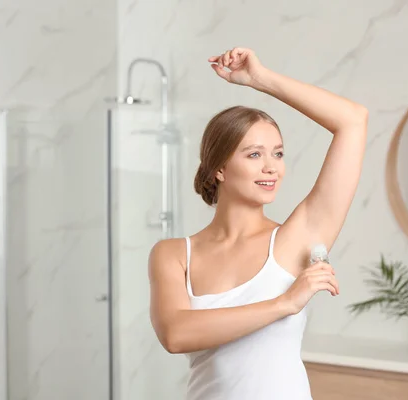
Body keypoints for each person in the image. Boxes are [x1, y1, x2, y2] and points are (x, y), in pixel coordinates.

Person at [148, 47, 368, 400]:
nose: (272, 167)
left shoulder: (297, 237)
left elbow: (353, 120)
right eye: (254, 154)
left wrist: (259, 79)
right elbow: (175, 334)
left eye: (278, 153)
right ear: (219, 168)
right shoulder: (174, 254)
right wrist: (285, 303)